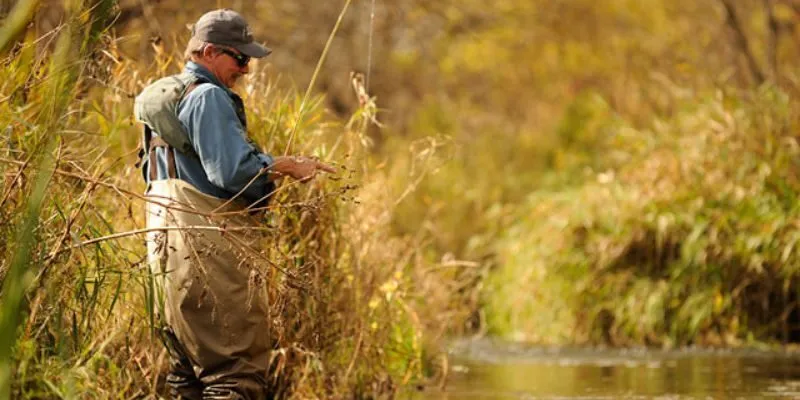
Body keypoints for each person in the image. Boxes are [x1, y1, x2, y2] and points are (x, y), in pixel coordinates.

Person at [142, 9, 334, 399]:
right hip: (206, 251)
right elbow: (233, 173)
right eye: (240, 57)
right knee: (235, 375)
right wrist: (285, 166)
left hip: (164, 250)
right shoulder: (208, 96)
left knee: (186, 376)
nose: (246, 69)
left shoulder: (168, 99)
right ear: (209, 52)